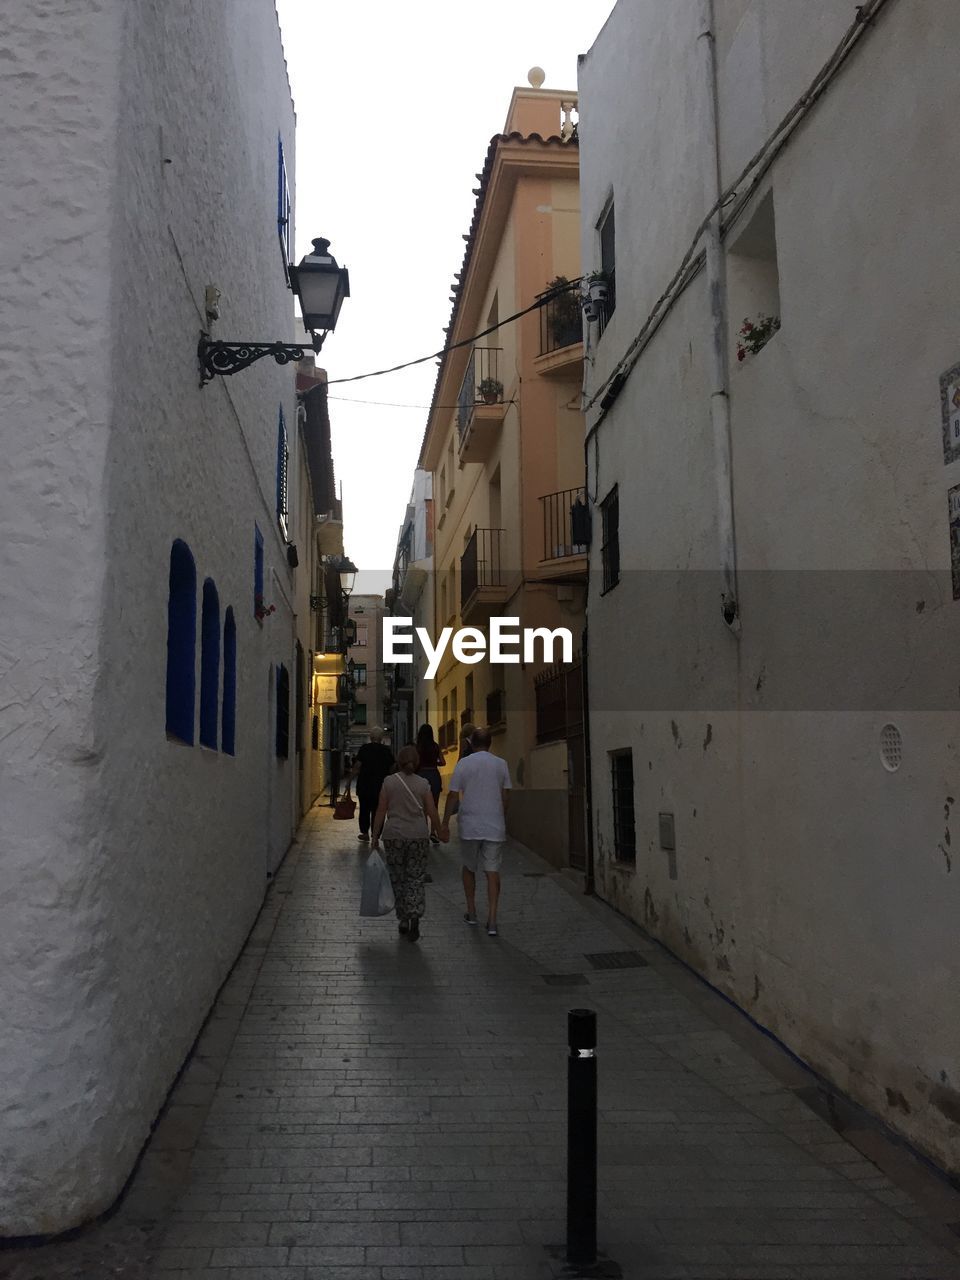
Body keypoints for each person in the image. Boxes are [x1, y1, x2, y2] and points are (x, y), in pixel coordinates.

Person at [440, 726, 511, 937]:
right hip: (494, 825)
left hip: (470, 825)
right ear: (490, 743)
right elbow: (506, 795)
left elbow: (452, 795)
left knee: (469, 868)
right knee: (492, 872)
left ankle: (471, 912)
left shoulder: (463, 764)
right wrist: (501, 815)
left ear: (471, 742)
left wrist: (444, 823)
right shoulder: (501, 764)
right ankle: (492, 919)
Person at [372, 745, 445, 941]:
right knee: (416, 877)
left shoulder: (389, 782)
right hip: (418, 836)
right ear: (417, 761)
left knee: (398, 877)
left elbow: (380, 810)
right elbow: (431, 811)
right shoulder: (423, 784)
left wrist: (374, 836)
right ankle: (415, 916)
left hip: (394, 836)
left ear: (399, 761)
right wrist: (440, 831)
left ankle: (403, 918)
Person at [351, 728, 394, 841]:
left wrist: (349, 780)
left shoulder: (364, 749)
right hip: (381, 786)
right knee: (379, 810)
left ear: (371, 737)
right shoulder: (386, 751)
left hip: (365, 785)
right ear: (381, 738)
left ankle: (365, 833)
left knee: (364, 809)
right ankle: (376, 834)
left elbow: (357, 766)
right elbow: (392, 768)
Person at [415, 724, 445, 844]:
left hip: (421, 775)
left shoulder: (418, 748)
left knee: (421, 806)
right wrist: (434, 761)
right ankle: (433, 833)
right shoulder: (436, 747)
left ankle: (424, 832)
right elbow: (443, 762)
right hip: (434, 775)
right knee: (434, 806)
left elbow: (415, 762)